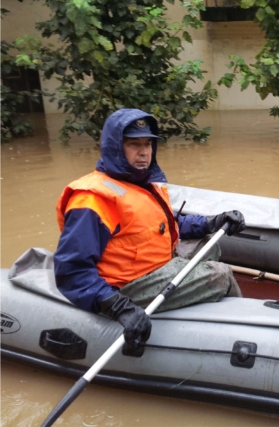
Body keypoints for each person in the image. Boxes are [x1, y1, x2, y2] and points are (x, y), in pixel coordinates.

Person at [54, 108, 246, 351]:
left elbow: (165, 226)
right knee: (220, 274)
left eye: (148, 144)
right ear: (115, 148)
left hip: (155, 265)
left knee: (210, 244)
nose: (144, 152)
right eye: (134, 145)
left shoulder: (141, 184)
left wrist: (212, 222)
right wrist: (118, 306)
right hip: (125, 285)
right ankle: (239, 332)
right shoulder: (92, 200)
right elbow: (71, 270)